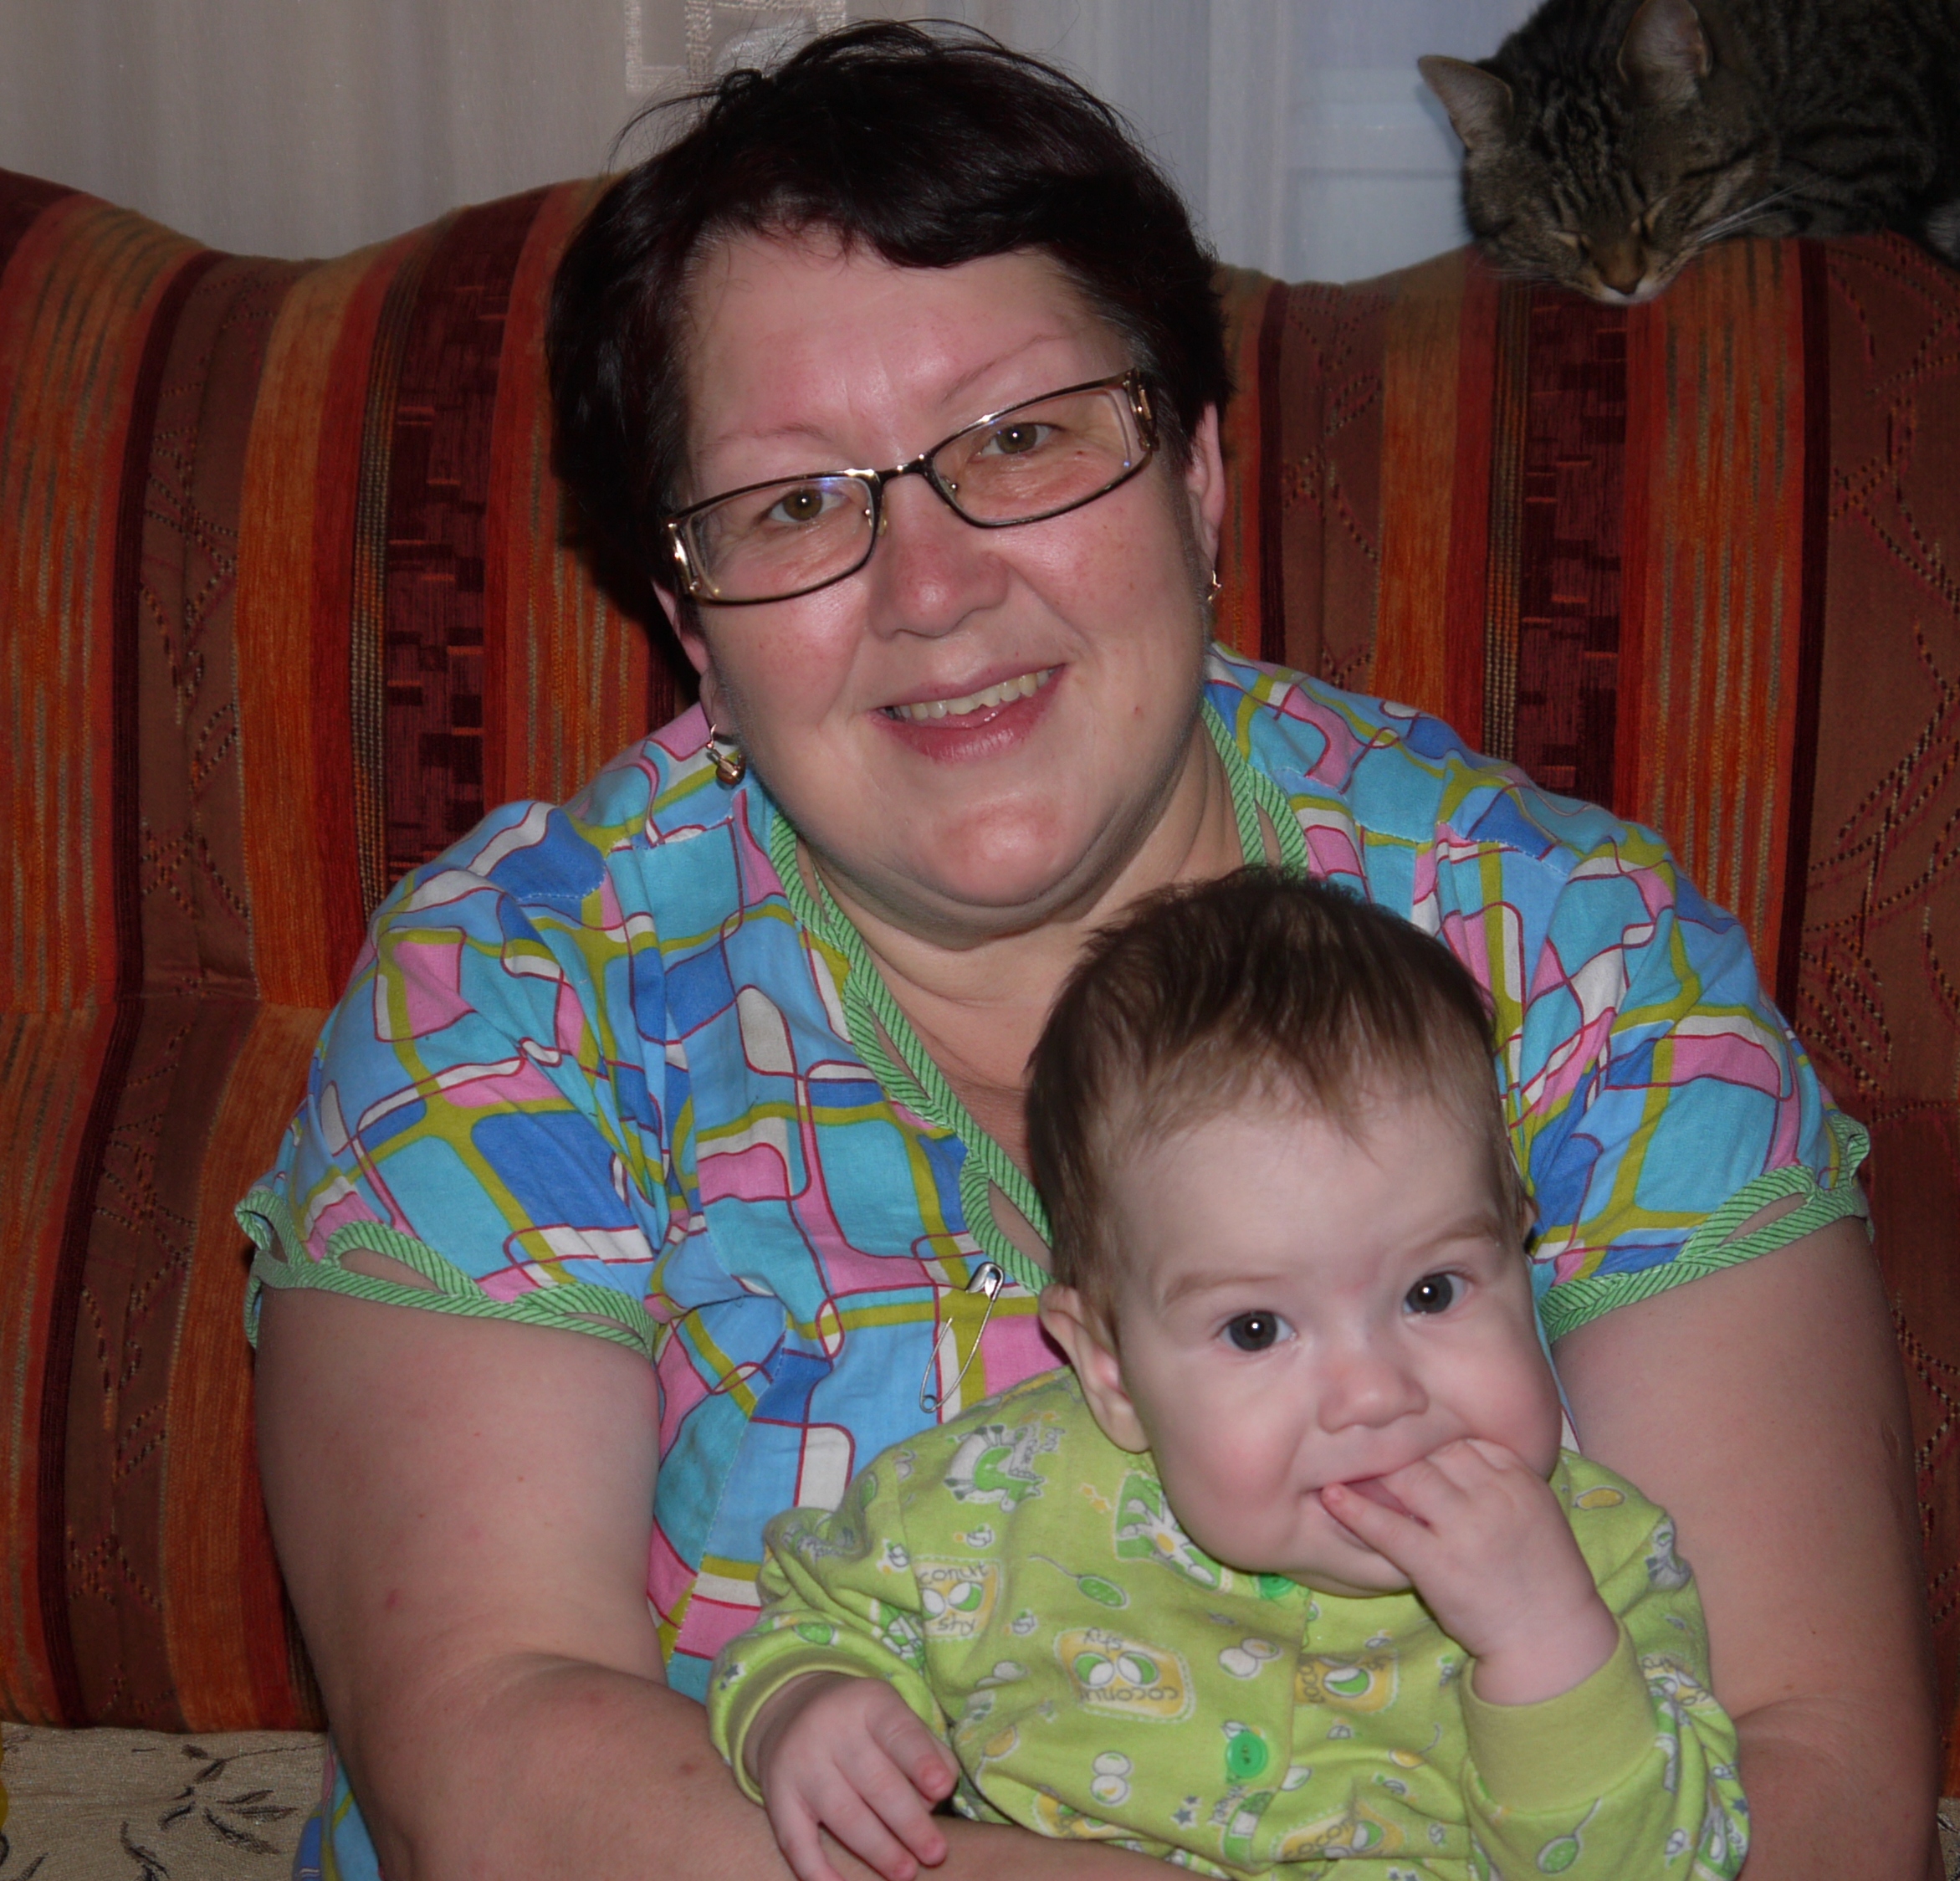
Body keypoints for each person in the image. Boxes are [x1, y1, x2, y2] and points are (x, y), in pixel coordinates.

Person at [242, 22, 1937, 1881]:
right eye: (795, 503)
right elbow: (493, 1758)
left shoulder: (1572, 960)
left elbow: (1816, 1766)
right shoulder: (512, 994)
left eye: (1023, 438)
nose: (931, 587)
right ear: (693, 625)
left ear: (1195, 478)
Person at [709, 871, 1749, 1881]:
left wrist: (1545, 1648)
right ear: (1110, 1368)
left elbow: (1669, 1860)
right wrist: (808, 1704)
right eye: (1257, 1328)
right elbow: (816, 1618)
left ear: (1518, 1250)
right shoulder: (989, 1500)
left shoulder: (1600, 1563)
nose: (1374, 1394)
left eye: (1432, 1292)